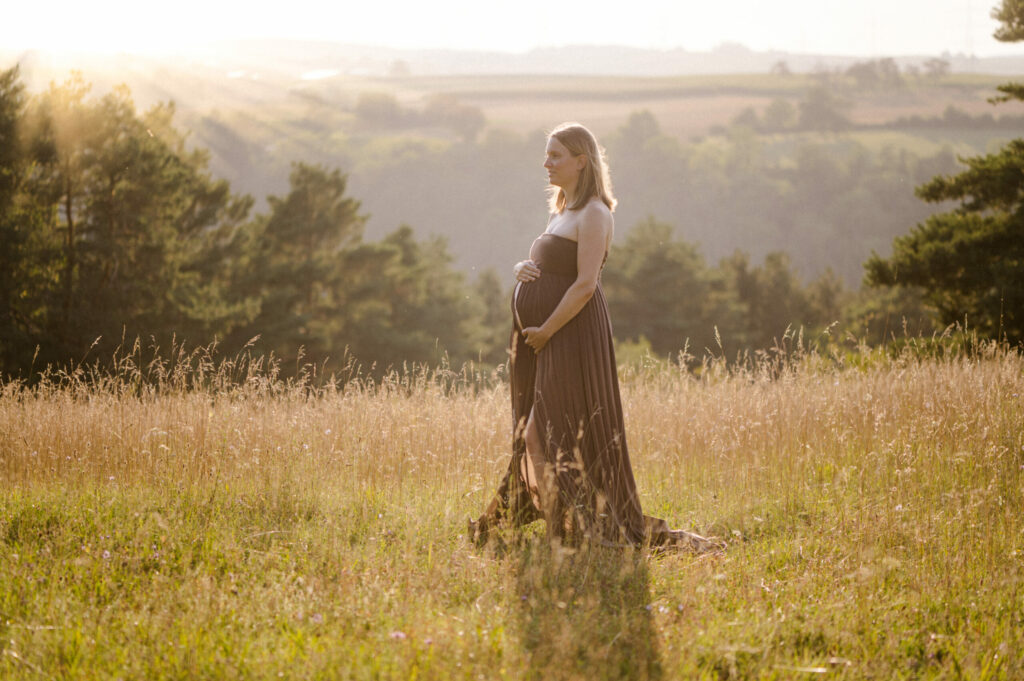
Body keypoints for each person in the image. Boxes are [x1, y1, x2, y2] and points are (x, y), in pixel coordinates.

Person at [470, 122, 719, 551]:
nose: (545, 163)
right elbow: (550, 265)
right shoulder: (563, 211)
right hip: (546, 340)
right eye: (546, 155)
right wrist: (521, 270)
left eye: (555, 156)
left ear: (581, 161)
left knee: (541, 431)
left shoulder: (595, 214)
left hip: (570, 335)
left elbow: (586, 284)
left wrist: (546, 329)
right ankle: (564, 526)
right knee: (539, 430)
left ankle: (570, 530)